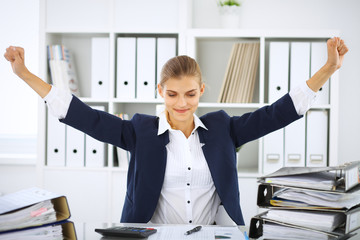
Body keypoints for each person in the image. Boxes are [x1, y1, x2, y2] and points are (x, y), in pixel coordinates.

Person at [4, 37, 348, 225]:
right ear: (160, 91)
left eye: (190, 93)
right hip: (152, 236)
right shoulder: (140, 131)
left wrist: (328, 69)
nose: (181, 103)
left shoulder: (223, 127)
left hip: (214, 236)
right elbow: (85, 116)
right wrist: (25, 74)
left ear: (202, 90)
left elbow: (276, 114)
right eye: (172, 94)